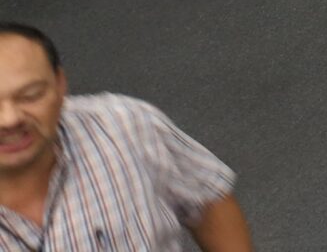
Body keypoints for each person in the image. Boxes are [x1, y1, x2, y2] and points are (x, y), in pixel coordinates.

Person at [0, 23, 253, 251]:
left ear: (60, 84)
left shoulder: (124, 125)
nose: (10, 120)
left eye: (31, 95)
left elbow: (207, 197)